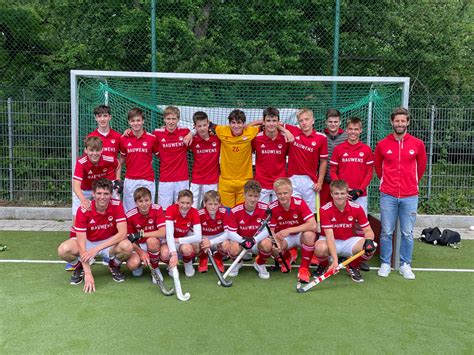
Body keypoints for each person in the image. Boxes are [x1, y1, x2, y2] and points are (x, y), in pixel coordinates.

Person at [374, 107, 427, 280]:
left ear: (408, 122)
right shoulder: (382, 144)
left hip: (410, 195)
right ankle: (385, 263)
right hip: (388, 195)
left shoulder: (417, 144)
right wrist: (388, 183)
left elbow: (421, 167)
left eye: (403, 121)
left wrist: (410, 183)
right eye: (397, 121)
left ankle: (405, 264)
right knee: (386, 231)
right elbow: (378, 167)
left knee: (407, 232)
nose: (400, 124)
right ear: (392, 122)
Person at [57, 178, 133, 293]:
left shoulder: (117, 205)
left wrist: (97, 249)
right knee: (63, 250)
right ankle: (79, 267)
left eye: (106, 193)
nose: (102, 197)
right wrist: (88, 273)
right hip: (88, 242)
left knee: (127, 247)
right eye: (99, 193)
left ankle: (114, 265)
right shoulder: (83, 210)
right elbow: (81, 244)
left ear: (111, 194)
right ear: (93, 193)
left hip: (108, 243)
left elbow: (122, 233)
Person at [314, 179, 376, 283]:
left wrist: (369, 240)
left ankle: (353, 265)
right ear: (331, 194)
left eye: (342, 193)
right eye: (336, 193)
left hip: (349, 240)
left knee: (371, 247)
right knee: (319, 248)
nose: (339, 196)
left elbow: (368, 231)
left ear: (347, 194)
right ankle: (324, 265)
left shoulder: (357, 208)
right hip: (329, 240)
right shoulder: (324, 210)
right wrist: (335, 260)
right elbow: (330, 237)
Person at [69, 136, 121, 240]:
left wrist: (117, 180)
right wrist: (83, 200)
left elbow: (118, 165)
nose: (94, 153)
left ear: (102, 150)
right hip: (84, 190)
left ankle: (114, 237)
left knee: (114, 207)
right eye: (91, 150)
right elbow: (75, 186)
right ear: (86, 150)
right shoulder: (81, 162)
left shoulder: (108, 159)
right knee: (77, 215)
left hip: (100, 190)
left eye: (97, 150)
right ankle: (74, 242)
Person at [268, 178, 317, 283]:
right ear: (275, 194)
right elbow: (271, 230)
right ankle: (287, 256)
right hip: (284, 237)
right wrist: (275, 243)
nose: (282, 196)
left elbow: (313, 225)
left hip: (300, 235)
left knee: (309, 235)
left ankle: (304, 268)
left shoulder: (300, 203)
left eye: (285, 193)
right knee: (273, 245)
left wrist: (290, 229)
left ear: (291, 192)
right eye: (279, 193)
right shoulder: (272, 207)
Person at [225, 180, 273, 279]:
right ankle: (237, 262)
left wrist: (254, 240)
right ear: (244, 195)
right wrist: (243, 241)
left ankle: (259, 263)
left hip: (256, 242)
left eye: (256, 196)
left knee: (267, 244)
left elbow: (267, 230)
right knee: (232, 248)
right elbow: (231, 233)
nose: (252, 199)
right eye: (250, 195)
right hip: (241, 242)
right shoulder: (235, 210)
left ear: (259, 196)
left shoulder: (265, 209)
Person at [285, 108, 328, 214]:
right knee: (294, 211)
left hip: (310, 181)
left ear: (313, 120)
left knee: (309, 213)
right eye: (301, 120)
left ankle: (309, 231)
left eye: (306, 119)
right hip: (292, 179)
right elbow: (276, 123)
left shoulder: (321, 138)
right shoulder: (293, 130)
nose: (304, 123)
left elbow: (323, 161)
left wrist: (320, 182)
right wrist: (285, 131)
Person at [330, 117, 374, 215]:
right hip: (342, 195)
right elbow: (333, 171)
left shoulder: (366, 149)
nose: (353, 132)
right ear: (346, 130)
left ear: (361, 130)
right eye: (350, 129)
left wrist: (359, 190)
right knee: (342, 224)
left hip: (360, 195)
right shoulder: (338, 149)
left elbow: (370, 173)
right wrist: (342, 190)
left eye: (356, 129)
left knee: (360, 227)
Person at [119, 107, 158, 212]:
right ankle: (130, 229)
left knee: (148, 209)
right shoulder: (123, 138)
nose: (136, 123)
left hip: (147, 179)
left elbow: (160, 155)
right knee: (129, 211)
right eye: (132, 121)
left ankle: (149, 229)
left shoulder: (152, 138)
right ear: (129, 122)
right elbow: (122, 158)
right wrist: (115, 173)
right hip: (130, 179)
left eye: (138, 120)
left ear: (143, 121)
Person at [125, 187, 167, 282]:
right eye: (140, 201)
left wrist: (141, 234)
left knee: (152, 242)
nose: (144, 204)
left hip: (155, 243)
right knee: (132, 264)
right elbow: (130, 239)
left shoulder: (157, 209)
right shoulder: (130, 215)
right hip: (140, 245)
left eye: (147, 200)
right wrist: (141, 252)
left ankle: (155, 269)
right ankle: (139, 265)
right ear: (136, 203)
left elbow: (162, 232)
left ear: (151, 200)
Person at [154, 106, 191, 210]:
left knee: (183, 209)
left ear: (178, 119)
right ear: (164, 119)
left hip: (182, 179)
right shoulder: (157, 133)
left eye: (174, 119)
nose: (171, 122)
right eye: (168, 119)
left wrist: (191, 134)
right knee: (164, 210)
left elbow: (198, 128)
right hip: (165, 179)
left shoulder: (185, 132)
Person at [252, 107, 289, 204]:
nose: (271, 124)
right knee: (262, 215)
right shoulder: (256, 138)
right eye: (268, 120)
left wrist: (284, 130)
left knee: (279, 216)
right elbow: (245, 128)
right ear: (263, 122)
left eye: (274, 121)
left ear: (278, 122)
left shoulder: (285, 139)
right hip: (261, 184)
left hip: (280, 184)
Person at [165, 190, 202, 277]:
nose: (185, 206)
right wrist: (173, 253)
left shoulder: (194, 212)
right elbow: (169, 234)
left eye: (188, 203)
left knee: (188, 249)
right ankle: (170, 265)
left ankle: (188, 263)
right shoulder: (170, 209)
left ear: (192, 202)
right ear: (177, 201)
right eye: (182, 202)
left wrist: (179, 240)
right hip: (170, 240)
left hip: (181, 241)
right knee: (165, 253)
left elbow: (198, 237)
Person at [188, 111, 220, 209]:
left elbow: (227, 131)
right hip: (196, 180)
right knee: (193, 209)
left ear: (208, 124)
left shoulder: (217, 139)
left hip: (212, 181)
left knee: (211, 209)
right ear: (195, 126)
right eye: (199, 126)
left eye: (204, 125)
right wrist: (191, 133)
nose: (202, 128)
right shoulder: (192, 140)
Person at [197, 190, 229, 273]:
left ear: (219, 204)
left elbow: (227, 233)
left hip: (219, 239)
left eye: (215, 204)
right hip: (204, 238)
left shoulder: (224, 212)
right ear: (205, 204)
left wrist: (211, 242)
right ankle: (203, 258)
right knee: (195, 244)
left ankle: (218, 257)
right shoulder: (199, 214)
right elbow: (194, 233)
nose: (213, 207)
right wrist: (203, 240)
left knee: (227, 244)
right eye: (210, 204)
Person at [320, 109, 347, 206]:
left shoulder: (347, 137)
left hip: (341, 183)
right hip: (324, 182)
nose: (333, 124)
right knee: (323, 210)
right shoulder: (320, 136)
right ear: (326, 122)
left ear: (340, 122)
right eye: (330, 122)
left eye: (336, 122)